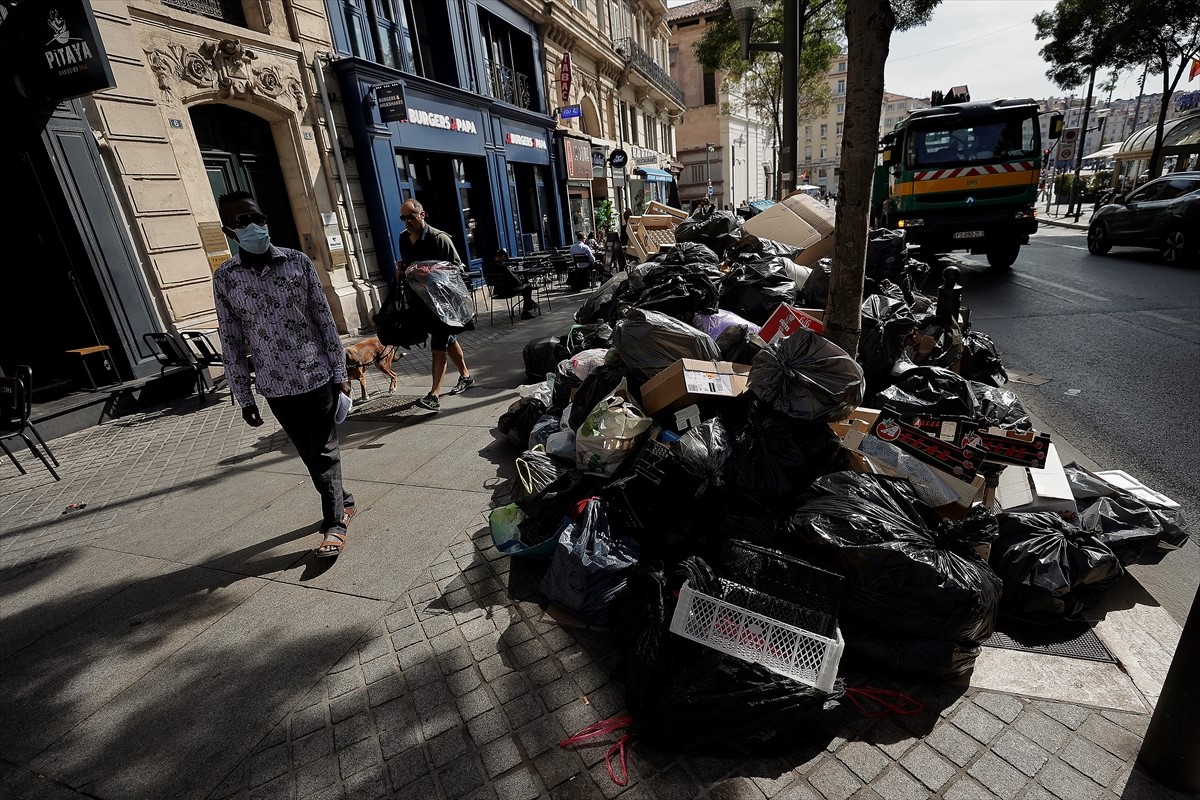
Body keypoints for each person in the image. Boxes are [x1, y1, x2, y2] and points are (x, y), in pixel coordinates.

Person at [212, 190, 355, 559]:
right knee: (309, 454)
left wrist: (341, 372)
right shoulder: (226, 278)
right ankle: (345, 499)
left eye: (257, 217)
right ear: (230, 230)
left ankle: (334, 524)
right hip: (275, 385)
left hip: (315, 376)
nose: (254, 226)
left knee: (324, 451)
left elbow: (325, 320)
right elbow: (230, 340)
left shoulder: (298, 262)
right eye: (243, 221)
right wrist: (243, 395)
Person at [397, 198, 475, 412]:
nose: (407, 221)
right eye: (403, 218)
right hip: (421, 303)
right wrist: (402, 271)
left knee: (437, 347)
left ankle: (434, 395)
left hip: (443, 305)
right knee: (448, 341)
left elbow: (458, 269)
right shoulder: (404, 239)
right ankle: (466, 377)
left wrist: (429, 271)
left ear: (423, 214)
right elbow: (407, 265)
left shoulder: (439, 238)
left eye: (411, 216)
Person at [487, 249, 538, 319]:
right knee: (527, 286)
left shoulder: (489, 267)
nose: (505, 260)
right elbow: (514, 279)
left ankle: (530, 303)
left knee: (525, 286)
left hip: (497, 292)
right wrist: (520, 283)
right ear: (502, 256)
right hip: (508, 291)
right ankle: (526, 311)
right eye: (504, 258)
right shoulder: (502, 267)